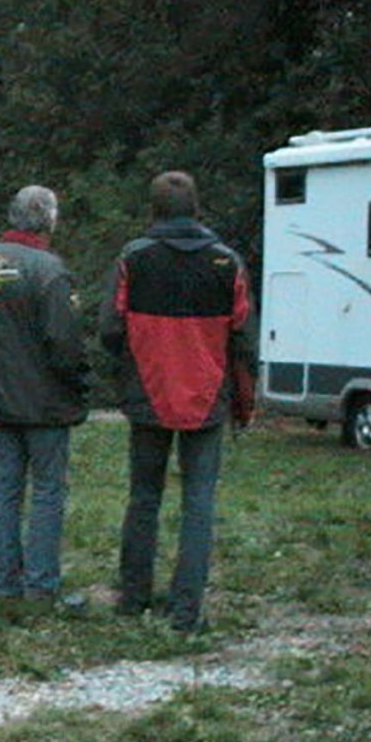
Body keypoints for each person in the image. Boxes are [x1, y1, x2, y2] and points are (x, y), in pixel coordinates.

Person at [100, 170, 258, 634]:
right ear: (196, 208)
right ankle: (187, 610)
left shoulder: (134, 258)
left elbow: (110, 328)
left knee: (144, 497)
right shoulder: (226, 263)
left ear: (153, 211)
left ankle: (134, 598)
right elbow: (244, 336)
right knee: (198, 502)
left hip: (148, 392)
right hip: (207, 397)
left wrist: (133, 364)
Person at [0, 186, 90, 614]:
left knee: (6, 489)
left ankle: (5, 583)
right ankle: (41, 585)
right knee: (48, 491)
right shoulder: (49, 269)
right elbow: (64, 342)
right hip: (45, 401)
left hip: (0, 398)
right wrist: (79, 385)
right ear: (49, 219)